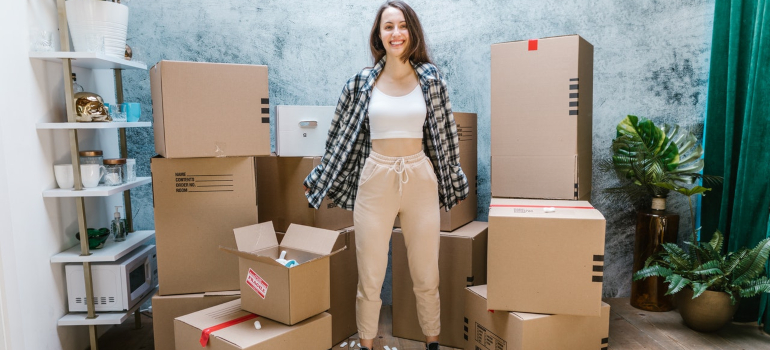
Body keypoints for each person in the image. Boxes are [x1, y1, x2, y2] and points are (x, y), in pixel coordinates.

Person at [304, 1, 468, 349]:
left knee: (426, 275)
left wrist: (452, 176)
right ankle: (367, 343)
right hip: (375, 178)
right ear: (379, 35)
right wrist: (321, 176)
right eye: (388, 27)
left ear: (413, 31)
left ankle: (432, 343)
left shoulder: (431, 79)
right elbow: (338, 137)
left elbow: (447, 135)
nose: (396, 33)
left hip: (419, 177)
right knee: (371, 277)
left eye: (402, 25)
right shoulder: (360, 83)